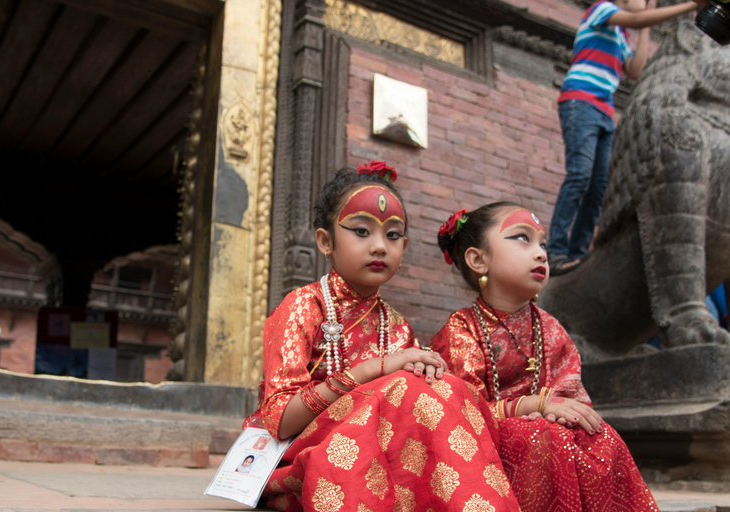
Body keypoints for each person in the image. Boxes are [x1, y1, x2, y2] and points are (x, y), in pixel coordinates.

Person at [244, 163, 522, 511]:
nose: (379, 246)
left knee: (451, 388)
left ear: (404, 246)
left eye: (392, 235)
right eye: (362, 232)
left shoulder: (396, 324)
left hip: (379, 453)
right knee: (404, 387)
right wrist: (374, 370)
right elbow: (280, 420)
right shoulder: (303, 306)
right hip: (305, 454)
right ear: (325, 241)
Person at [432, 202, 659, 512]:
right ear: (478, 259)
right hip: (491, 443)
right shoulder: (462, 329)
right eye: (522, 238)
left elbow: (569, 395)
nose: (540, 253)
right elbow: (463, 410)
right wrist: (530, 406)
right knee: (541, 436)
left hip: (549, 433)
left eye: (543, 244)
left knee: (602, 436)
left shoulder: (550, 327)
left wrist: (564, 412)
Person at [548, 0, 707, 273]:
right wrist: (691, 5)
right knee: (580, 175)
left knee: (599, 187)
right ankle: (556, 250)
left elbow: (634, 70)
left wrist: (644, 26)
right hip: (581, 102)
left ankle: (578, 252)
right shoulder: (601, 9)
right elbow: (636, 20)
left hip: (604, 110)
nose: (644, 2)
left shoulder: (622, 35)